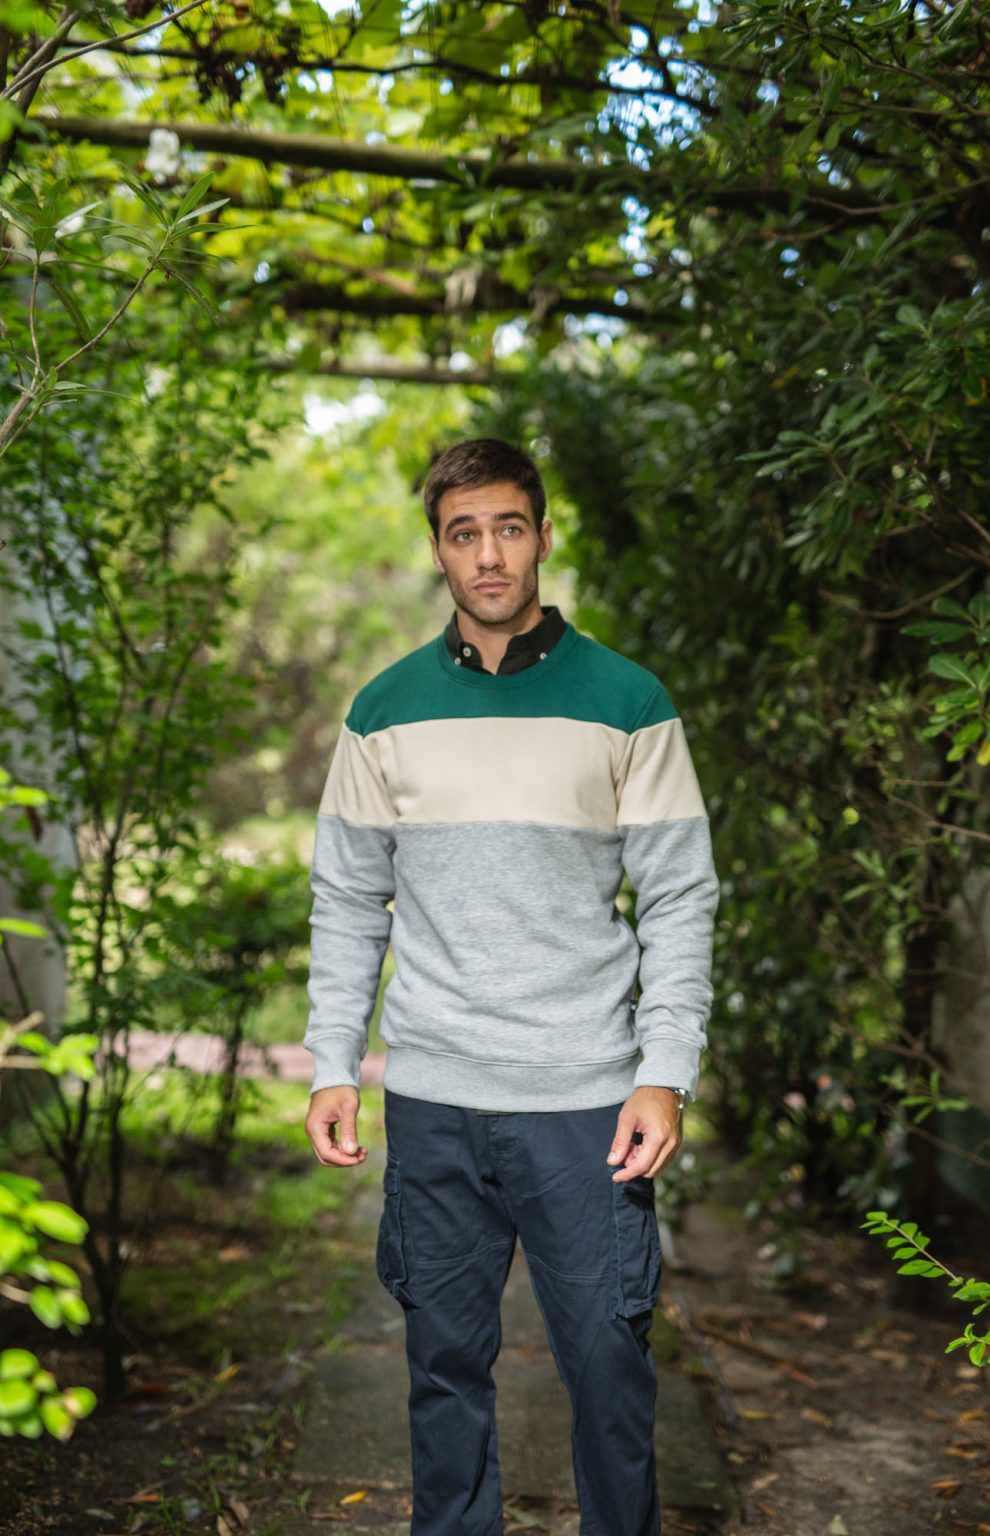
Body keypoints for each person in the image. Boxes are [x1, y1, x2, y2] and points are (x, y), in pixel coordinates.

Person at [303, 438, 720, 1536]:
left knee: (609, 1369)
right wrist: (332, 1064)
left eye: (508, 528)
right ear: (437, 549)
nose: (488, 555)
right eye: (463, 533)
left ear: (541, 535)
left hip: (588, 1102)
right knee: (443, 1374)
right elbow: (346, 900)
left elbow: (679, 896)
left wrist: (665, 1071)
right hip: (435, 1102)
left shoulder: (628, 700)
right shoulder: (382, 711)